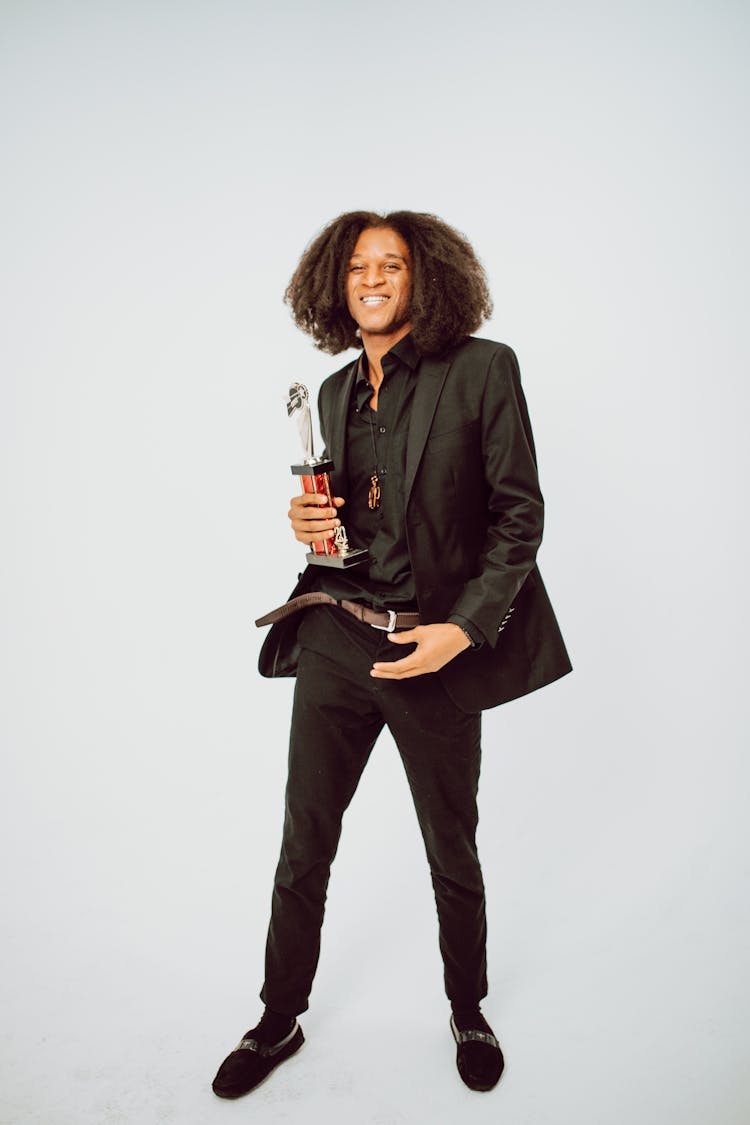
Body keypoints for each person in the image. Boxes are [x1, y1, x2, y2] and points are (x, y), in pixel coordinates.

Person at [212, 211, 571, 1099]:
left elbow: (519, 516)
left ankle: (468, 1007)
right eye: (359, 266)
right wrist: (311, 528)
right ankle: (278, 1016)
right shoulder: (333, 394)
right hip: (339, 638)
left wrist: (464, 630)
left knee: (452, 847)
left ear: (425, 278)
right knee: (304, 843)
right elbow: (352, 531)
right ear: (337, 284)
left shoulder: (486, 370)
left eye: (393, 264)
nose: (373, 278)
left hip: (435, 648)